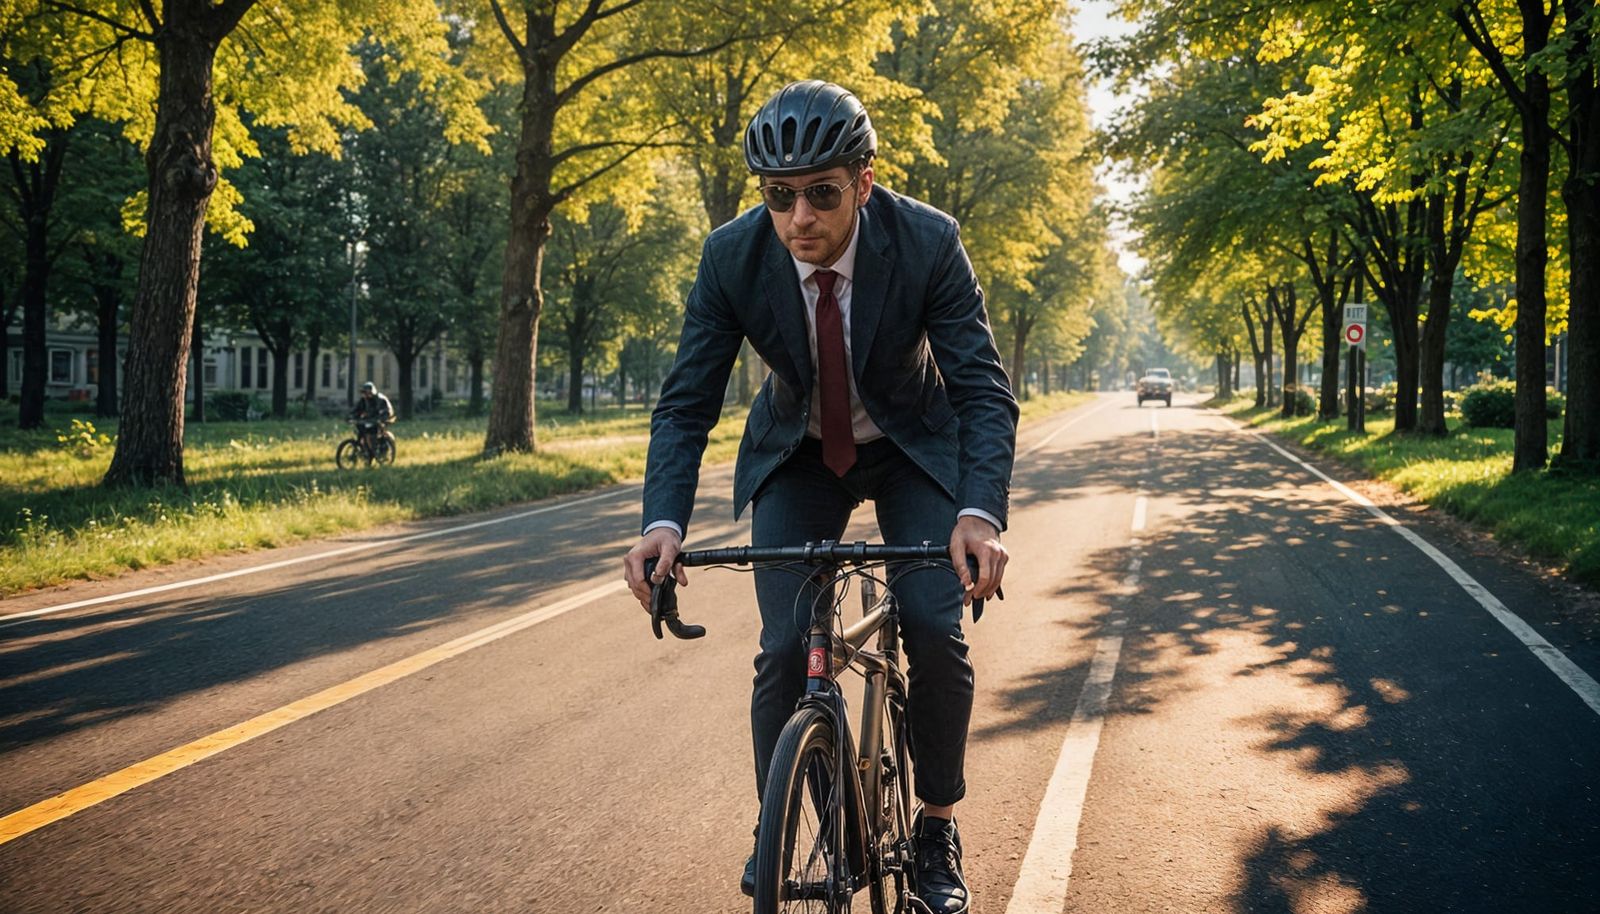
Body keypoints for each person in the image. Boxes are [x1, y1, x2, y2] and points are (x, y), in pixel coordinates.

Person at [622, 80, 1017, 914]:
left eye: (822, 195)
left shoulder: (927, 243)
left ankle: (937, 825)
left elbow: (982, 391)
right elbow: (687, 400)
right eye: (779, 197)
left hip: (912, 450)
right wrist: (663, 523)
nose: (800, 218)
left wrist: (979, 515)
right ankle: (786, 823)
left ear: (864, 182)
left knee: (937, 631)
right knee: (780, 651)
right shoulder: (732, 256)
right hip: (799, 453)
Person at [350, 382, 394, 452]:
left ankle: (375, 449)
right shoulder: (363, 400)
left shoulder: (380, 399)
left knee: (372, 433)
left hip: (381, 418)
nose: (366, 394)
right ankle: (364, 450)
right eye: (364, 392)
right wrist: (351, 416)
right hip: (370, 419)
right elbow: (356, 409)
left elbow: (386, 411)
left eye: (368, 392)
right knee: (361, 430)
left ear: (372, 392)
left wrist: (381, 418)